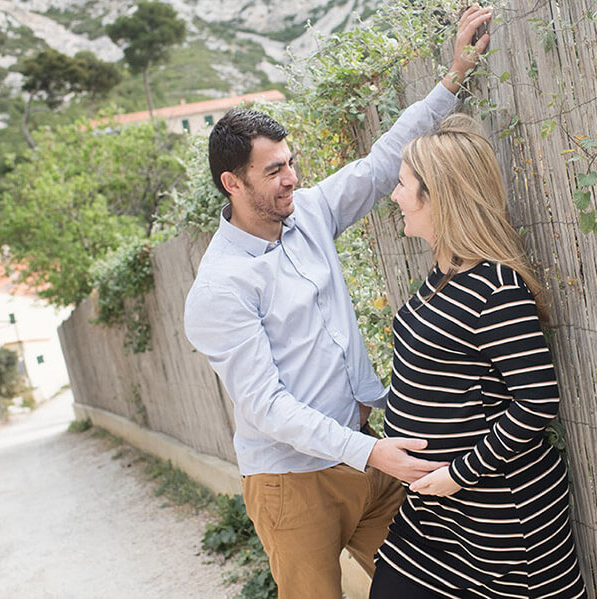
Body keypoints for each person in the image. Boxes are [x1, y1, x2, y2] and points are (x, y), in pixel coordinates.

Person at [183, 7, 493, 598]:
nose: (291, 178)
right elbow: (269, 406)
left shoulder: (312, 214)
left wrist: (451, 78)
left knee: (433, 587)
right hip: (291, 485)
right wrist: (372, 452)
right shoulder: (219, 288)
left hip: (369, 459)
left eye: (291, 162)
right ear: (233, 183)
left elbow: (381, 164)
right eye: (274, 171)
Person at [368, 114, 588, 598]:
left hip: (496, 518)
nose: (395, 196)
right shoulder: (440, 279)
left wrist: (456, 474)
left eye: (403, 185)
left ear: (437, 195)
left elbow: (537, 401)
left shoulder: (496, 288)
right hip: (434, 514)